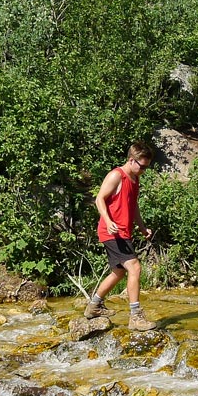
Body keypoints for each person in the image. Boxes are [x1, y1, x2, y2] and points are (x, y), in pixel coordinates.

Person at [84, 141, 158, 332]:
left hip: (123, 232)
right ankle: (135, 317)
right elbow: (99, 199)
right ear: (132, 160)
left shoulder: (135, 179)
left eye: (146, 167)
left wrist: (142, 228)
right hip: (112, 232)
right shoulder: (117, 175)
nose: (144, 170)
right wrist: (108, 222)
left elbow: (133, 207)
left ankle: (94, 306)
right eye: (142, 166)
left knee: (119, 272)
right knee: (135, 267)